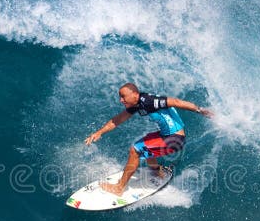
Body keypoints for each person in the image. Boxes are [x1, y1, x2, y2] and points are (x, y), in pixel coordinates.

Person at [84, 82, 213, 195]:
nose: (121, 100)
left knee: (135, 150)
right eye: (120, 97)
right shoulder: (137, 104)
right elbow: (118, 120)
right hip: (165, 135)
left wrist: (200, 110)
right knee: (144, 144)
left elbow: (175, 102)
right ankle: (158, 172)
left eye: (123, 96)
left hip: (174, 138)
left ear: (134, 94)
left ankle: (119, 188)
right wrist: (99, 132)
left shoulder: (150, 101)